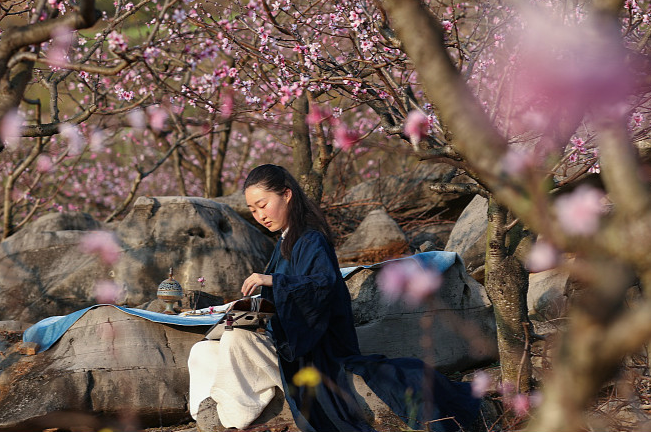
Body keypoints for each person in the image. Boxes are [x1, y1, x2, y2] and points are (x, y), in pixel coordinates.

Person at [188, 164, 482, 432]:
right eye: (252, 210)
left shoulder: (311, 239)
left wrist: (273, 280)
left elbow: (322, 287)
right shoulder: (283, 243)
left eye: (263, 205)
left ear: (287, 195)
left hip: (316, 351)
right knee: (202, 351)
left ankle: (233, 419)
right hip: (286, 341)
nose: (260, 215)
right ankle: (208, 411)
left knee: (235, 340)